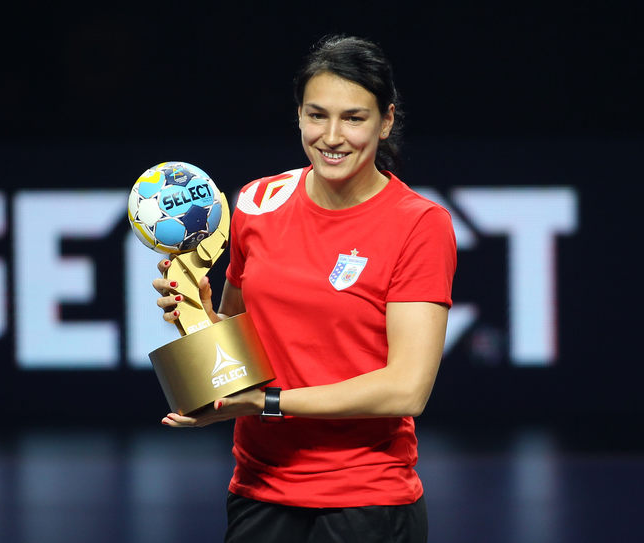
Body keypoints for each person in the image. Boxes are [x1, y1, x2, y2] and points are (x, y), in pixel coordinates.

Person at [153, 34, 456, 543]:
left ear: (386, 121)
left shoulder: (419, 224)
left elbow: (407, 388)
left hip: (366, 500)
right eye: (317, 115)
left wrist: (268, 403)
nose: (332, 136)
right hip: (258, 488)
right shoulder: (257, 201)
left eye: (354, 118)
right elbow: (240, 335)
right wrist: (200, 315)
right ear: (298, 116)